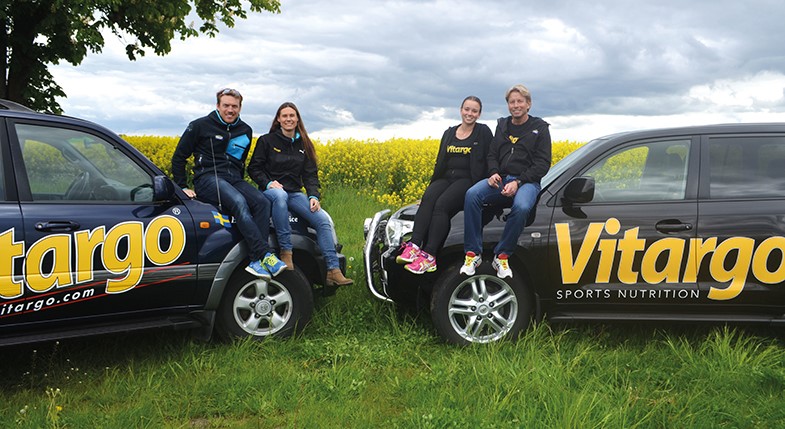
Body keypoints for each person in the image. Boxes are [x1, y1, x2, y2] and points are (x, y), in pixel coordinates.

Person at [171, 88, 286, 279]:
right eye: (226, 105)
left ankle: (255, 261)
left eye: (234, 106)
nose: (230, 110)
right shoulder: (199, 125)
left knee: (262, 202)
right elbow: (179, 157)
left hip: (234, 179)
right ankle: (264, 254)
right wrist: (182, 186)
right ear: (218, 105)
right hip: (207, 178)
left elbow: (240, 163)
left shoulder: (245, 130)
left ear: (240, 108)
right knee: (239, 202)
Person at [247, 102, 353, 286]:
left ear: (297, 119)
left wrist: (313, 196)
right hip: (271, 192)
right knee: (280, 196)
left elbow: (310, 174)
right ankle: (286, 253)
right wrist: (269, 183)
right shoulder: (267, 141)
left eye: (292, 116)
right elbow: (254, 168)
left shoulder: (304, 144)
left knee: (322, 220)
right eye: (284, 116)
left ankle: (333, 271)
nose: (288, 119)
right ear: (278, 119)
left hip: (294, 194)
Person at [460, 84, 552, 278]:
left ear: (528, 104)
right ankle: (473, 253)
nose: (516, 105)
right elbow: (492, 154)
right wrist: (493, 172)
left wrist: (518, 182)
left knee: (522, 207)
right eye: (512, 102)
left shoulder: (540, 128)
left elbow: (542, 164)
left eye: (520, 101)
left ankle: (502, 255)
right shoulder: (502, 125)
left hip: (527, 182)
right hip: (501, 179)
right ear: (508, 105)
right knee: (472, 195)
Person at [396, 96, 493, 274]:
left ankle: (430, 256)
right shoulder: (449, 133)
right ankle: (414, 246)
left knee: (442, 205)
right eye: (467, 109)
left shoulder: (483, 132)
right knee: (428, 199)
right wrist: (430, 188)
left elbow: (491, 156)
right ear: (461, 110)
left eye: (474, 111)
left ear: (479, 114)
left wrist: (490, 178)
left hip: (467, 179)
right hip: (446, 177)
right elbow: (440, 162)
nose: (470, 113)